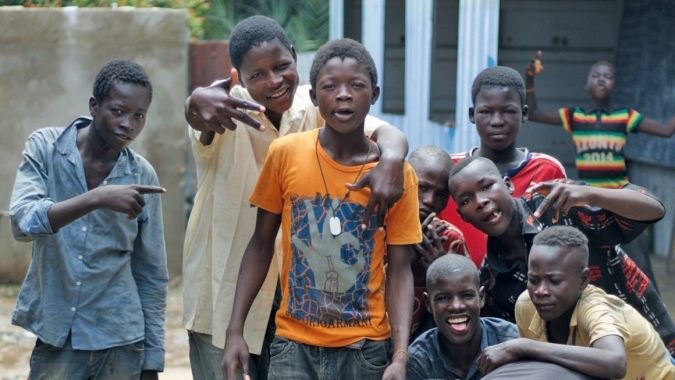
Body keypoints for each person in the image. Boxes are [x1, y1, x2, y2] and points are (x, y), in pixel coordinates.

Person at [181, 16, 409, 380]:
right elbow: (199, 120)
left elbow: (382, 131)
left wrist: (395, 158)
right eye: (257, 75)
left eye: (281, 66)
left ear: (294, 57)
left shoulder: (321, 99)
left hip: (295, 306)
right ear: (237, 76)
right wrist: (194, 104)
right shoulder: (223, 108)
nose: (273, 81)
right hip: (223, 296)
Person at [9, 60, 167, 380]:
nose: (128, 124)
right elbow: (22, 222)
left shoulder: (142, 175)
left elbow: (151, 272)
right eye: (118, 111)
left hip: (122, 339)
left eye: (139, 115)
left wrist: (151, 362)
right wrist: (97, 198)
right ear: (94, 106)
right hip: (58, 337)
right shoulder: (46, 148)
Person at [448, 156, 675, 355]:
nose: (480, 202)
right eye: (467, 200)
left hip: (656, 352)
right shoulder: (492, 280)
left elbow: (654, 209)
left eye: (487, 186)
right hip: (593, 368)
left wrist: (590, 194)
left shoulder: (559, 205)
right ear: (462, 215)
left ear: (508, 185)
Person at [525, 51, 673, 291]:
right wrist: (529, 78)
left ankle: (652, 319)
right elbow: (534, 113)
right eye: (596, 75)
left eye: (608, 76)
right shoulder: (575, 117)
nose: (601, 79)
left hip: (622, 203)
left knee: (640, 265)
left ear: (615, 86)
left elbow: (666, 130)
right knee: (590, 261)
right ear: (587, 84)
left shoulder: (625, 117)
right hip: (587, 206)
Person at [477, 226, 675, 379]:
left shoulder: (596, 308)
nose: (541, 291)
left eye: (554, 281)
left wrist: (522, 346)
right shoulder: (527, 305)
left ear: (583, 280)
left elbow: (615, 362)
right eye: (533, 280)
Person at [438, 66, 566, 268]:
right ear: (472, 115)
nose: (497, 121)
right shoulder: (450, 171)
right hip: (460, 291)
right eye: (486, 112)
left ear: (524, 113)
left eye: (508, 111)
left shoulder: (547, 170)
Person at [407, 254, 519, 380]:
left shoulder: (512, 343)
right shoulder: (419, 360)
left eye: (466, 295)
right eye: (443, 298)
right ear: (428, 304)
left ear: (481, 297)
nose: (456, 306)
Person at [407, 145, 469, 339]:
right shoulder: (375, 228)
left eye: (441, 194)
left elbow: (467, 311)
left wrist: (441, 269)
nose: (430, 200)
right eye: (422, 188)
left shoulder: (449, 239)